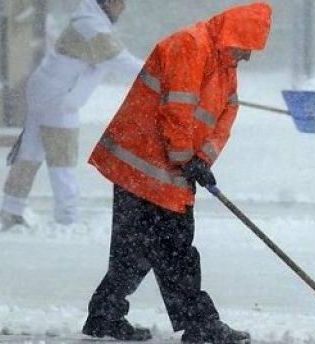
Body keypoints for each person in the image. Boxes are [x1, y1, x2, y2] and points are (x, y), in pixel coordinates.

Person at [81, 2, 272, 343]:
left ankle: (104, 316)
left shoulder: (224, 65)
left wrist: (203, 159)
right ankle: (199, 323)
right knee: (175, 247)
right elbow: (177, 110)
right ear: (232, 37)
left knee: (134, 249)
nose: (248, 57)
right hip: (144, 162)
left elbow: (225, 116)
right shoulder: (190, 46)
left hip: (166, 167)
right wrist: (187, 158)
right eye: (247, 48)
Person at [0, 0, 143, 230]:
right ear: (107, 2)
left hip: (47, 93)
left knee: (30, 153)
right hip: (57, 99)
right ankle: (67, 217)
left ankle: (11, 209)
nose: (123, 8)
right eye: (120, 2)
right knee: (61, 158)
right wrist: (159, 72)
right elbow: (120, 61)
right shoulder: (91, 27)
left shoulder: (89, 22)